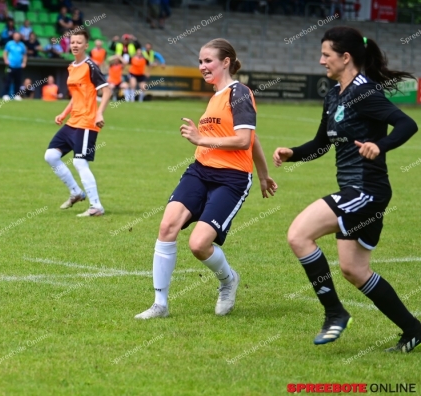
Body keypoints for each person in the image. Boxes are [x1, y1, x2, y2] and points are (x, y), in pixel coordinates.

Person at [273, 27, 421, 352]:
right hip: (358, 191)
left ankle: (335, 313)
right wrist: (293, 153)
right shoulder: (333, 94)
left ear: (345, 57)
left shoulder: (364, 92)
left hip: (366, 190)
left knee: (298, 234)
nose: (321, 59)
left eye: (326, 54)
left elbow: (408, 124)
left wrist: (379, 146)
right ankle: (413, 329)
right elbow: (321, 144)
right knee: (354, 270)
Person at [135, 38, 277, 320]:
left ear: (226, 62)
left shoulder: (239, 93)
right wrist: (264, 175)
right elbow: (253, 138)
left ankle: (228, 280)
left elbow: (244, 139)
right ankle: (160, 304)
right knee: (167, 226)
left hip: (231, 179)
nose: (202, 66)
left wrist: (202, 139)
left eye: (208, 61)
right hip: (200, 171)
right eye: (200, 61)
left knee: (199, 245)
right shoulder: (215, 96)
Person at [44, 30, 111, 217]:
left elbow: (106, 91)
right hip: (73, 121)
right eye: (72, 42)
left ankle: (96, 206)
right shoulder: (72, 67)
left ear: (85, 45)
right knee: (50, 156)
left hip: (87, 122)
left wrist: (99, 113)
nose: (75, 45)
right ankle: (76, 192)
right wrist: (64, 113)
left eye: (79, 42)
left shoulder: (90, 66)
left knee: (79, 162)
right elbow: (76, 96)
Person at [2, 32, 26, 101]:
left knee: (17, 81)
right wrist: (6, 60)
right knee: (8, 80)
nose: (17, 37)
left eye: (18, 36)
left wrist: (24, 63)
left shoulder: (22, 45)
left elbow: (24, 55)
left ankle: (16, 95)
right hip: (11, 65)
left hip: (18, 66)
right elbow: (5, 52)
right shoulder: (9, 44)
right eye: (16, 36)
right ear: (13, 36)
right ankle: (5, 94)